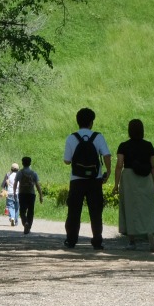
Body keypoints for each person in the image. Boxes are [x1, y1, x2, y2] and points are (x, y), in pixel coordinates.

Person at [63, 107, 112, 250]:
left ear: (77, 121)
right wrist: (108, 171)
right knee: (96, 211)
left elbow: (66, 161)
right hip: (95, 179)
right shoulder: (98, 137)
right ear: (91, 122)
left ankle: (71, 240)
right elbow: (107, 155)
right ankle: (97, 240)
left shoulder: (72, 138)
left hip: (76, 180)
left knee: (74, 211)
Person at [115, 118, 154, 252]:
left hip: (129, 178)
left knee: (130, 208)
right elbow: (153, 166)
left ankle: (131, 241)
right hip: (146, 179)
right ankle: (150, 233)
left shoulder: (123, 145)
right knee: (147, 207)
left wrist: (116, 184)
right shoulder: (149, 145)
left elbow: (119, 165)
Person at [15, 156, 44, 234]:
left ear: (22, 163)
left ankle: (25, 223)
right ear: (30, 163)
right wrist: (41, 195)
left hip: (22, 194)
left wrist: (14, 193)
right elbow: (37, 185)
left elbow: (15, 183)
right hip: (31, 194)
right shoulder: (33, 173)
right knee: (31, 211)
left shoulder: (20, 173)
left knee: (22, 211)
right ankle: (28, 226)